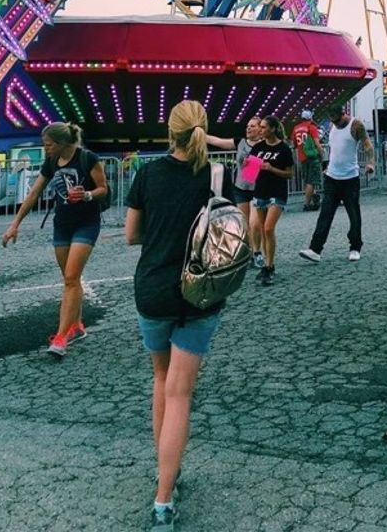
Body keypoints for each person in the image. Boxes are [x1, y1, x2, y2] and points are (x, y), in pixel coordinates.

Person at [126, 99, 237, 528]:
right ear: (203, 131)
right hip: (199, 295)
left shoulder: (146, 174)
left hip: (152, 290)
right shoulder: (217, 175)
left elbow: (132, 235)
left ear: (167, 132)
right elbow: (233, 227)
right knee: (181, 393)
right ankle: (163, 497)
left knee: (161, 381)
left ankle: (164, 475)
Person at [1, 121, 108, 358]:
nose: (45, 148)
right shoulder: (51, 162)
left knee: (71, 278)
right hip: (62, 226)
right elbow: (34, 192)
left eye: (48, 145)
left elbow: (103, 189)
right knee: (70, 279)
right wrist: (14, 224)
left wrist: (87, 194)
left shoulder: (87, 158)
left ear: (61, 144)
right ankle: (77, 326)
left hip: (86, 224)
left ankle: (60, 338)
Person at [299, 104, 375, 263]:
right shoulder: (333, 127)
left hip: (350, 178)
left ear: (344, 114)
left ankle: (355, 247)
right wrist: (327, 167)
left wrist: (370, 163)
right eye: (332, 121)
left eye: (338, 120)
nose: (335, 123)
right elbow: (335, 150)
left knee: (354, 214)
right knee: (325, 214)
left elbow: (367, 145)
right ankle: (315, 249)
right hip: (332, 178)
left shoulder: (356, 125)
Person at [206, 115, 264, 267]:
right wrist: (200, 134)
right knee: (244, 224)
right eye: (248, 126)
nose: (249, 128)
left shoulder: (265, 145)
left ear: (260, 128)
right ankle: (249, 253)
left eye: (252, 126)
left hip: (259, 188)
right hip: (241, 188)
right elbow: (217, 141)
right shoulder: (240, 142)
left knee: (255, 223)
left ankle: (257, 252)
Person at [249, 115, 294, 286]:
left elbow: (289, 173)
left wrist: (271, 168)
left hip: (277, 192)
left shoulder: (284, 149)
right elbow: (250, 174)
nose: (260, 130)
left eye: (263, 127)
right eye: (259, 127)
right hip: (261, 191)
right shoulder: (258, 147)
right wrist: (247, 165)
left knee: (268, 228)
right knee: (262, 228)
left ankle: (269, 264)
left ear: (273, 129)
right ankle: (267, 266)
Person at [290, 109, 324, 212]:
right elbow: (317, 144)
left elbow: (293, 144)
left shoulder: (296, 128)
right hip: (312, 157)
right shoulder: (312, 127)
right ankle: (307, 204)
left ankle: (313, 197)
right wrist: (321, 154)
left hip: (301, 157)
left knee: (307, 180)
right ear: (310, 117)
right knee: (311, 181)